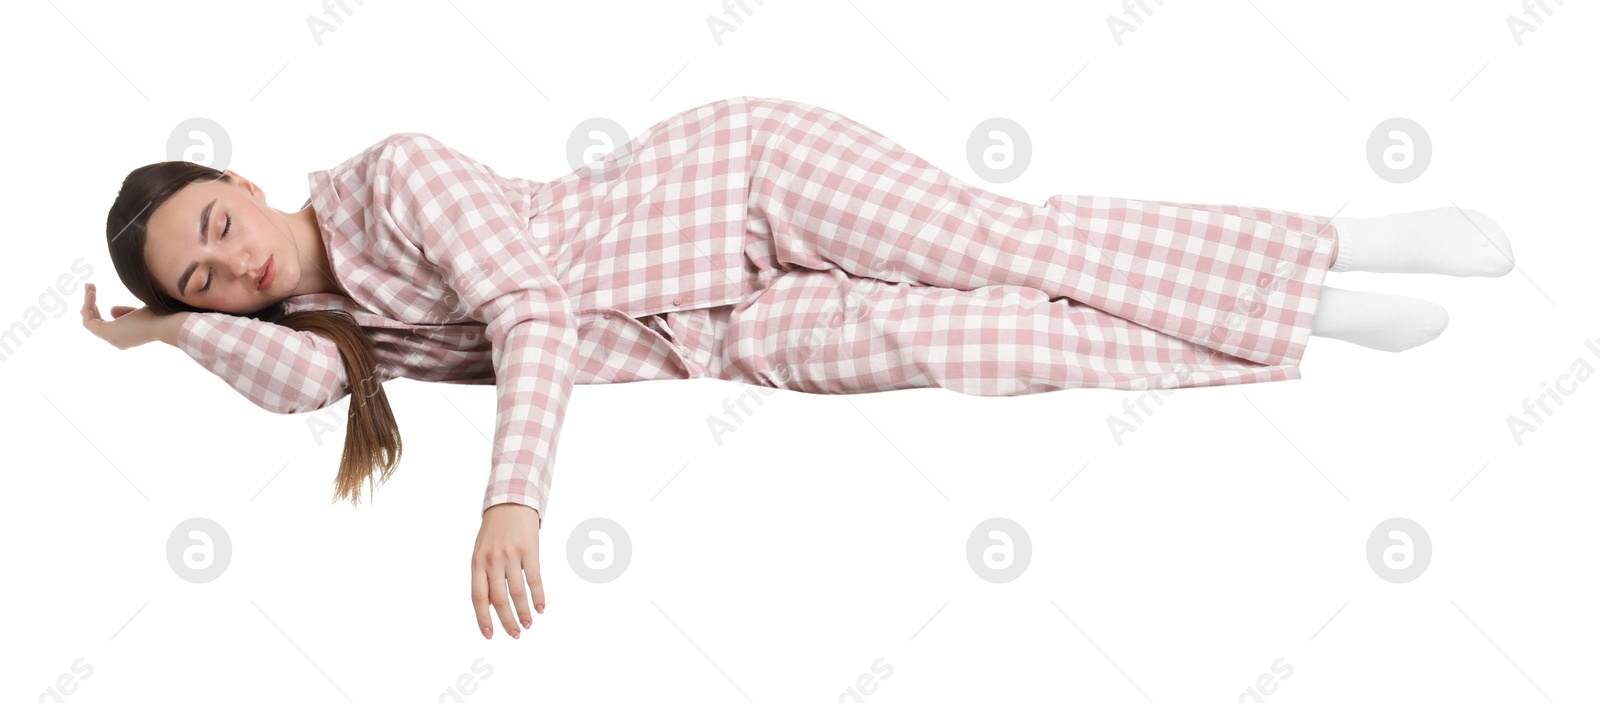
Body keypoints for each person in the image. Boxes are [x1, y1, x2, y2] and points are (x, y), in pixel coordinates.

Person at [84, 95, 1514, 642]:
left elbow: (522, 304)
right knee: (998, 345)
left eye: (218, 230)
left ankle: (1352, 239)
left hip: (738, 189)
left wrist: (511, 501)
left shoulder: (392, 176)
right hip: (718, 332)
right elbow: (303, 391)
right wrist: (159, 332)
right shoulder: (342, 338)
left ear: (243, 178)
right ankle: (1304, 319)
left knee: (1003, 246)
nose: (232, 267)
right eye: (203, 276)